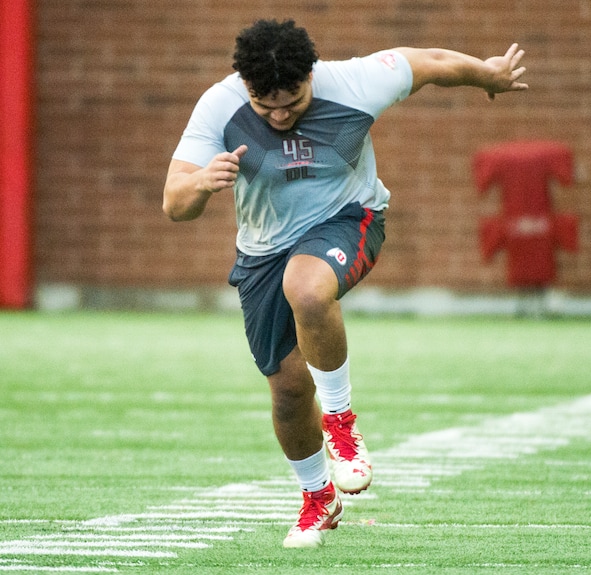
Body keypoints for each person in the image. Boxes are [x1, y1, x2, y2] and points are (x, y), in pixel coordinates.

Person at [163, 18, 528, 548]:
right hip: (262, 252)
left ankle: (341, 422)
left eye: (294, 100)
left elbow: (432, 62)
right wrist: (199, 183)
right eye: (268, 107)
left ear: (312, 74)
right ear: (245, 86)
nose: (281, 114)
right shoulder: (220, 107)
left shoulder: (357, 82)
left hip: (349, 219)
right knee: (288, 392)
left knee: (307, 287)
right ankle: (317, 499)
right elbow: (174, 204)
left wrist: (487, 76)